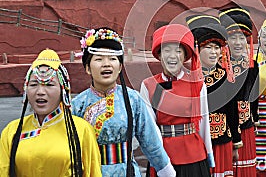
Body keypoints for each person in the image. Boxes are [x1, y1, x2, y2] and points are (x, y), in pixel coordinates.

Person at [72, 28, 175, 177]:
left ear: (120, 67)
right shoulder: (77, 105)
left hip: (127, 172)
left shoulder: (133, 100)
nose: (106, 64)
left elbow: (150, 141)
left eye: (113, 59)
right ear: (88, 68)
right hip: (90, 172)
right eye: (99, 59)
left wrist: (166, 170)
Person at [0, 49, 102, 177]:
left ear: (63, 90)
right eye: (34, 84)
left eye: (49, 85)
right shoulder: (12, 131)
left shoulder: (82, 130)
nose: (40, 91)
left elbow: (93, 173)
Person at [140, 24, 214, 176]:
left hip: (193, 155)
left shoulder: (197, 85)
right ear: (159, 55)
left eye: (178, 51)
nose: (172, 56)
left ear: (185, 56)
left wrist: (209, 156)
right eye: (167, 51)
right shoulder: (148, 86)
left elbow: (204, 123)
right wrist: (159, 159)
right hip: (163, 156)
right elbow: (150, 127)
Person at [186, 14, 242, 177]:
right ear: (198, 49)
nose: (213, 52)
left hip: (221, 139)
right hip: (196, 142)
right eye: (208, 47)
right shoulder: (188, 78)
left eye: (217, 47)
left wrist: (236, 142)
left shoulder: (226, 77)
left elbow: (232, 111)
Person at [219, 7, 259, 177]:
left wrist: (255, 119)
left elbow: (254, 96)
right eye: (232, 38)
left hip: (246, 124)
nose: (237, 42)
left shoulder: (253, 66)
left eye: (241, 38)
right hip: (226, 126)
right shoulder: (218, 67)